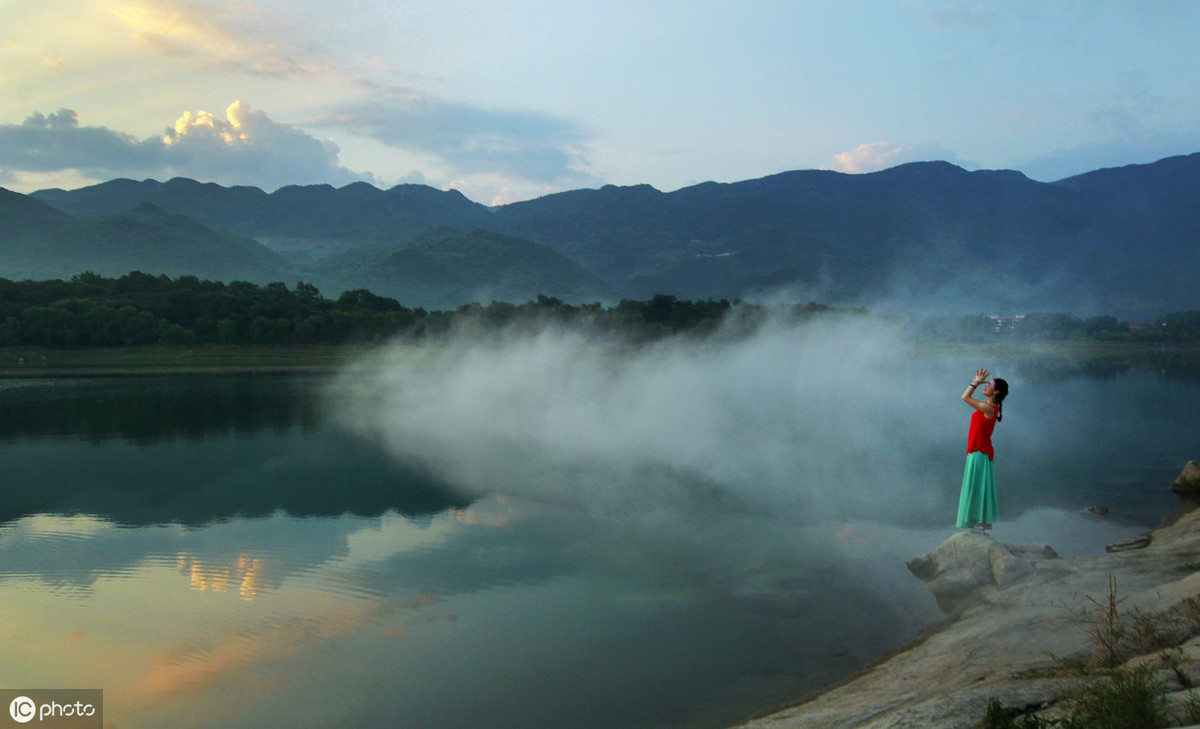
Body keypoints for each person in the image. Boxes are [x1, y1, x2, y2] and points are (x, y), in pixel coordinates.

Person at [956, 367, 1009, 532]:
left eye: (990, 385)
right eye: (986, 384)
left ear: (996, 391)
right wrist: (977, 383)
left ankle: (978, 524)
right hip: (977, 452)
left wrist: (975, 383)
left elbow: (965, 397)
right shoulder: (987, 406)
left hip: (979, 452)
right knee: (978, 487)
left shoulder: (989, 409)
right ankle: (982, 525)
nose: (986, 386)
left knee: (977, 488)